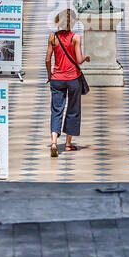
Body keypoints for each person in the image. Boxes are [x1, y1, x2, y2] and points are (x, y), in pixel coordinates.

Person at [45, 9, 90, 157]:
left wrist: (50, 75)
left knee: (56, 110)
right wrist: (86, 57)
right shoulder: (75, 37)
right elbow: (78, 60)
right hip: (73, 80)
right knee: (73, 110)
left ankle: (53, 143)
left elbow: (47, 59)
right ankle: (68, 144)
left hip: (57, 79)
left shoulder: (53, 37)